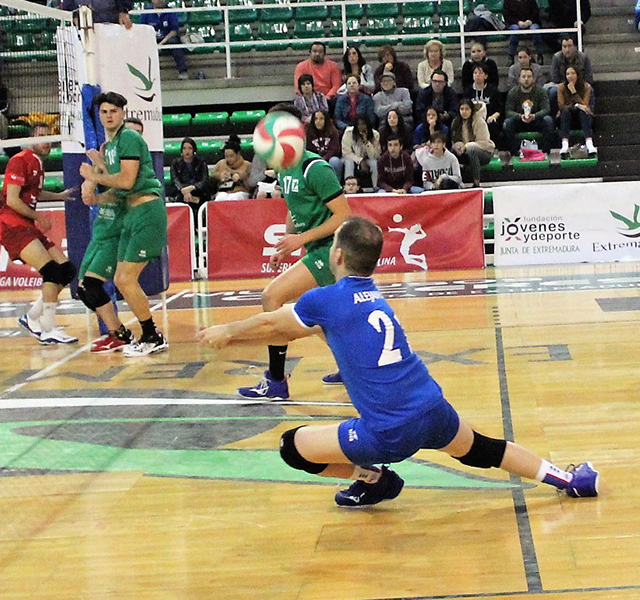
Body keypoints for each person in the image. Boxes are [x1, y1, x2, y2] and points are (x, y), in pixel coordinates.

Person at [197, 217, 601, 507]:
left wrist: (227, 332)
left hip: (388, 432)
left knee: (292, 448)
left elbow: (273, 322)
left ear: (335, 254)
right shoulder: (372, 295)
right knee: (483, 448)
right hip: (433, 407)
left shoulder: (325, 300)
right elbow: (316, 331)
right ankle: (568, 479)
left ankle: (374, 478)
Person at [234, 103, 352, 399]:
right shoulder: (286, 168)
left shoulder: (316, 167)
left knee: (272, 297)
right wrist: (287, 240)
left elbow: (343, 216)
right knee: (322, 318)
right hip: (317, 246)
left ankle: (276, 380)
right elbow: (294, 207)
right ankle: (355, 368)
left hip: (333, 250)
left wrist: (301, 240)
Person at [79, 91, 169, 357]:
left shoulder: (128, 137)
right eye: (104, 111)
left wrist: (95, 175)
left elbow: (128, 181)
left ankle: (152, 335)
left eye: (114, 111)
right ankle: (145, 334)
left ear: (122, 113)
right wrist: (94, 195)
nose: (109, 115)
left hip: (146, 211)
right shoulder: (114, 144)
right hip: (132, 212)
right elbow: (119, 190)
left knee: (125, 279)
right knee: (119, 279)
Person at [0, 122, 80, 344]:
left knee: (66, 270)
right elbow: (12, 199)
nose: (47, 140)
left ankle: (32, 317)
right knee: (52, 272)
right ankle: (48, 329)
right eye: (42, 135)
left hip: (27, 226)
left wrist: (59, 196)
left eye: (49, 136)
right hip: (13, 227)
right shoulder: (20, 159)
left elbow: (34, 192)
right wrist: (39, 217)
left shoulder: (37, 163)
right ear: (31, 139)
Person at [504, 68, 555, 153]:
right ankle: (514, 152)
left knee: (548, 120)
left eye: (529, 76)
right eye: (523, 77)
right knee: (508, 123)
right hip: (519, 121)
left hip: (536, 120)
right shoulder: (513, 92)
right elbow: (508, 111)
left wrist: (534, 116)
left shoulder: (541, 91)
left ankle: (546, 151)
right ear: (519, 79)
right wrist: (520, 116)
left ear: (533, 78)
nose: (526, 79)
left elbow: (546, 109)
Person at [451, 99, 496, 187]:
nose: (464, 112)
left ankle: (476, 182)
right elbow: (454, 140)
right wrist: (457, 146)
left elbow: (484, 142)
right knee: (451, 153)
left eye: (467, 109)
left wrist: (466, 146)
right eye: (462, 109)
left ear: (471, 110)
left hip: (484, 152)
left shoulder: (479, 121)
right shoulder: (455, 122)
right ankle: (455, 182)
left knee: (472, 150)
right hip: (464, 151)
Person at [139, 0, 189, 80]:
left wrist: (161, 44)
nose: (160, 0)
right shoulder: (146, 12)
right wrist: (153, 43)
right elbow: (143, 29)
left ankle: (183, 71)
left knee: (176, 46)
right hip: (151, 38)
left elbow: (174, 31)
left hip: (167, 39)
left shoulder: (170, 11)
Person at [556, 66, 597, 158]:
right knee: (566, 111)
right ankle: (565, 145)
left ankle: (589, 143)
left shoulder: (586, 86)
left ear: (578, 75)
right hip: (566, 117)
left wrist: (574, 92)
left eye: (573, 73)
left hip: (582, 118)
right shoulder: (561, 87)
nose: (570, 76)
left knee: (583, 112)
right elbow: (561, 106)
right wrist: (575, 105)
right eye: (567, 74)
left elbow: (585, 106)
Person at [548, 36, 594, 114]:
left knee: (590, 89)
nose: (567, 49)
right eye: (564, 46)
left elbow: (589, 77)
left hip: (580, 85)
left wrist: (576, 85)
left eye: (569, 46)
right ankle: (554, 117)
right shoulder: (556, 57)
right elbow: (555, 78)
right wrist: (567, 86)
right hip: (562, 86)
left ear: (575, 47)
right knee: (553, 91)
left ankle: (590, 114)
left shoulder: (583, 57)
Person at [466, 65, 505, 145]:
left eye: (480, 73)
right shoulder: (468, 91)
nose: (477, 75)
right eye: (475, 73)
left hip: (489, 118)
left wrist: (493, 116)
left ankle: (494, 148)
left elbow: (499, 109)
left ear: (486, 76)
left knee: (493, 125)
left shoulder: (493, 90)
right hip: (472, 118)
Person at [341, 116, 380, 190]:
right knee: (349, 163)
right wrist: (360, 160)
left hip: (368, 158)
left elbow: (375, 155)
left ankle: (376, 187)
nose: (361, 127)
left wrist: (367, 142)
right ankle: (349, 187)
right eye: (359, 124)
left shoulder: (375, 134)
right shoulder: (348, 133)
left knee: (374, 163)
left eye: (364, 124)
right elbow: (346, 153)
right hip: (351, 158)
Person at [169, 137, 210, 205]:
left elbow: (204, 180)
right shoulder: (175, 163)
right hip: (181, 192)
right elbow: (175, 180)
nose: (187, 151)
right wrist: (183, 190)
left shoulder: (201, 163)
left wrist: (192, 187)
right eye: (184, 148)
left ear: (194, 150)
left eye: (190, 148)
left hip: (198, 191)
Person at [210, 136, 252, 201]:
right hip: (223, 191)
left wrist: (242, 177)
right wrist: (220, 176)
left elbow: (251, 187)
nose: (228, 159)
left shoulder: (247, 165)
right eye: (226, 156)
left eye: (231, 156)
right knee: (220, 198)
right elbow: (212, 178)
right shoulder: (220, 164)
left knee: (233, 198)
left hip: (240, 192)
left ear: (238, 154)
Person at [306, 110, 344, 180]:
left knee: (335, 161)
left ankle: (336, 185)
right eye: (316, 119)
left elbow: (334, 149)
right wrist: (317, 159)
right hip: (314, 159)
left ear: (326, 120)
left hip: (330, 158)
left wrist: (324, 158)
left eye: (321, 119)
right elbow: (308, 150)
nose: (318, 121)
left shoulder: (333, 131)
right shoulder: (309, 133)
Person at [60, 0, 134, 28]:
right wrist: (74, 14)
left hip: (112, 22)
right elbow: (67, 3)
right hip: (82, 24)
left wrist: (124, 10)